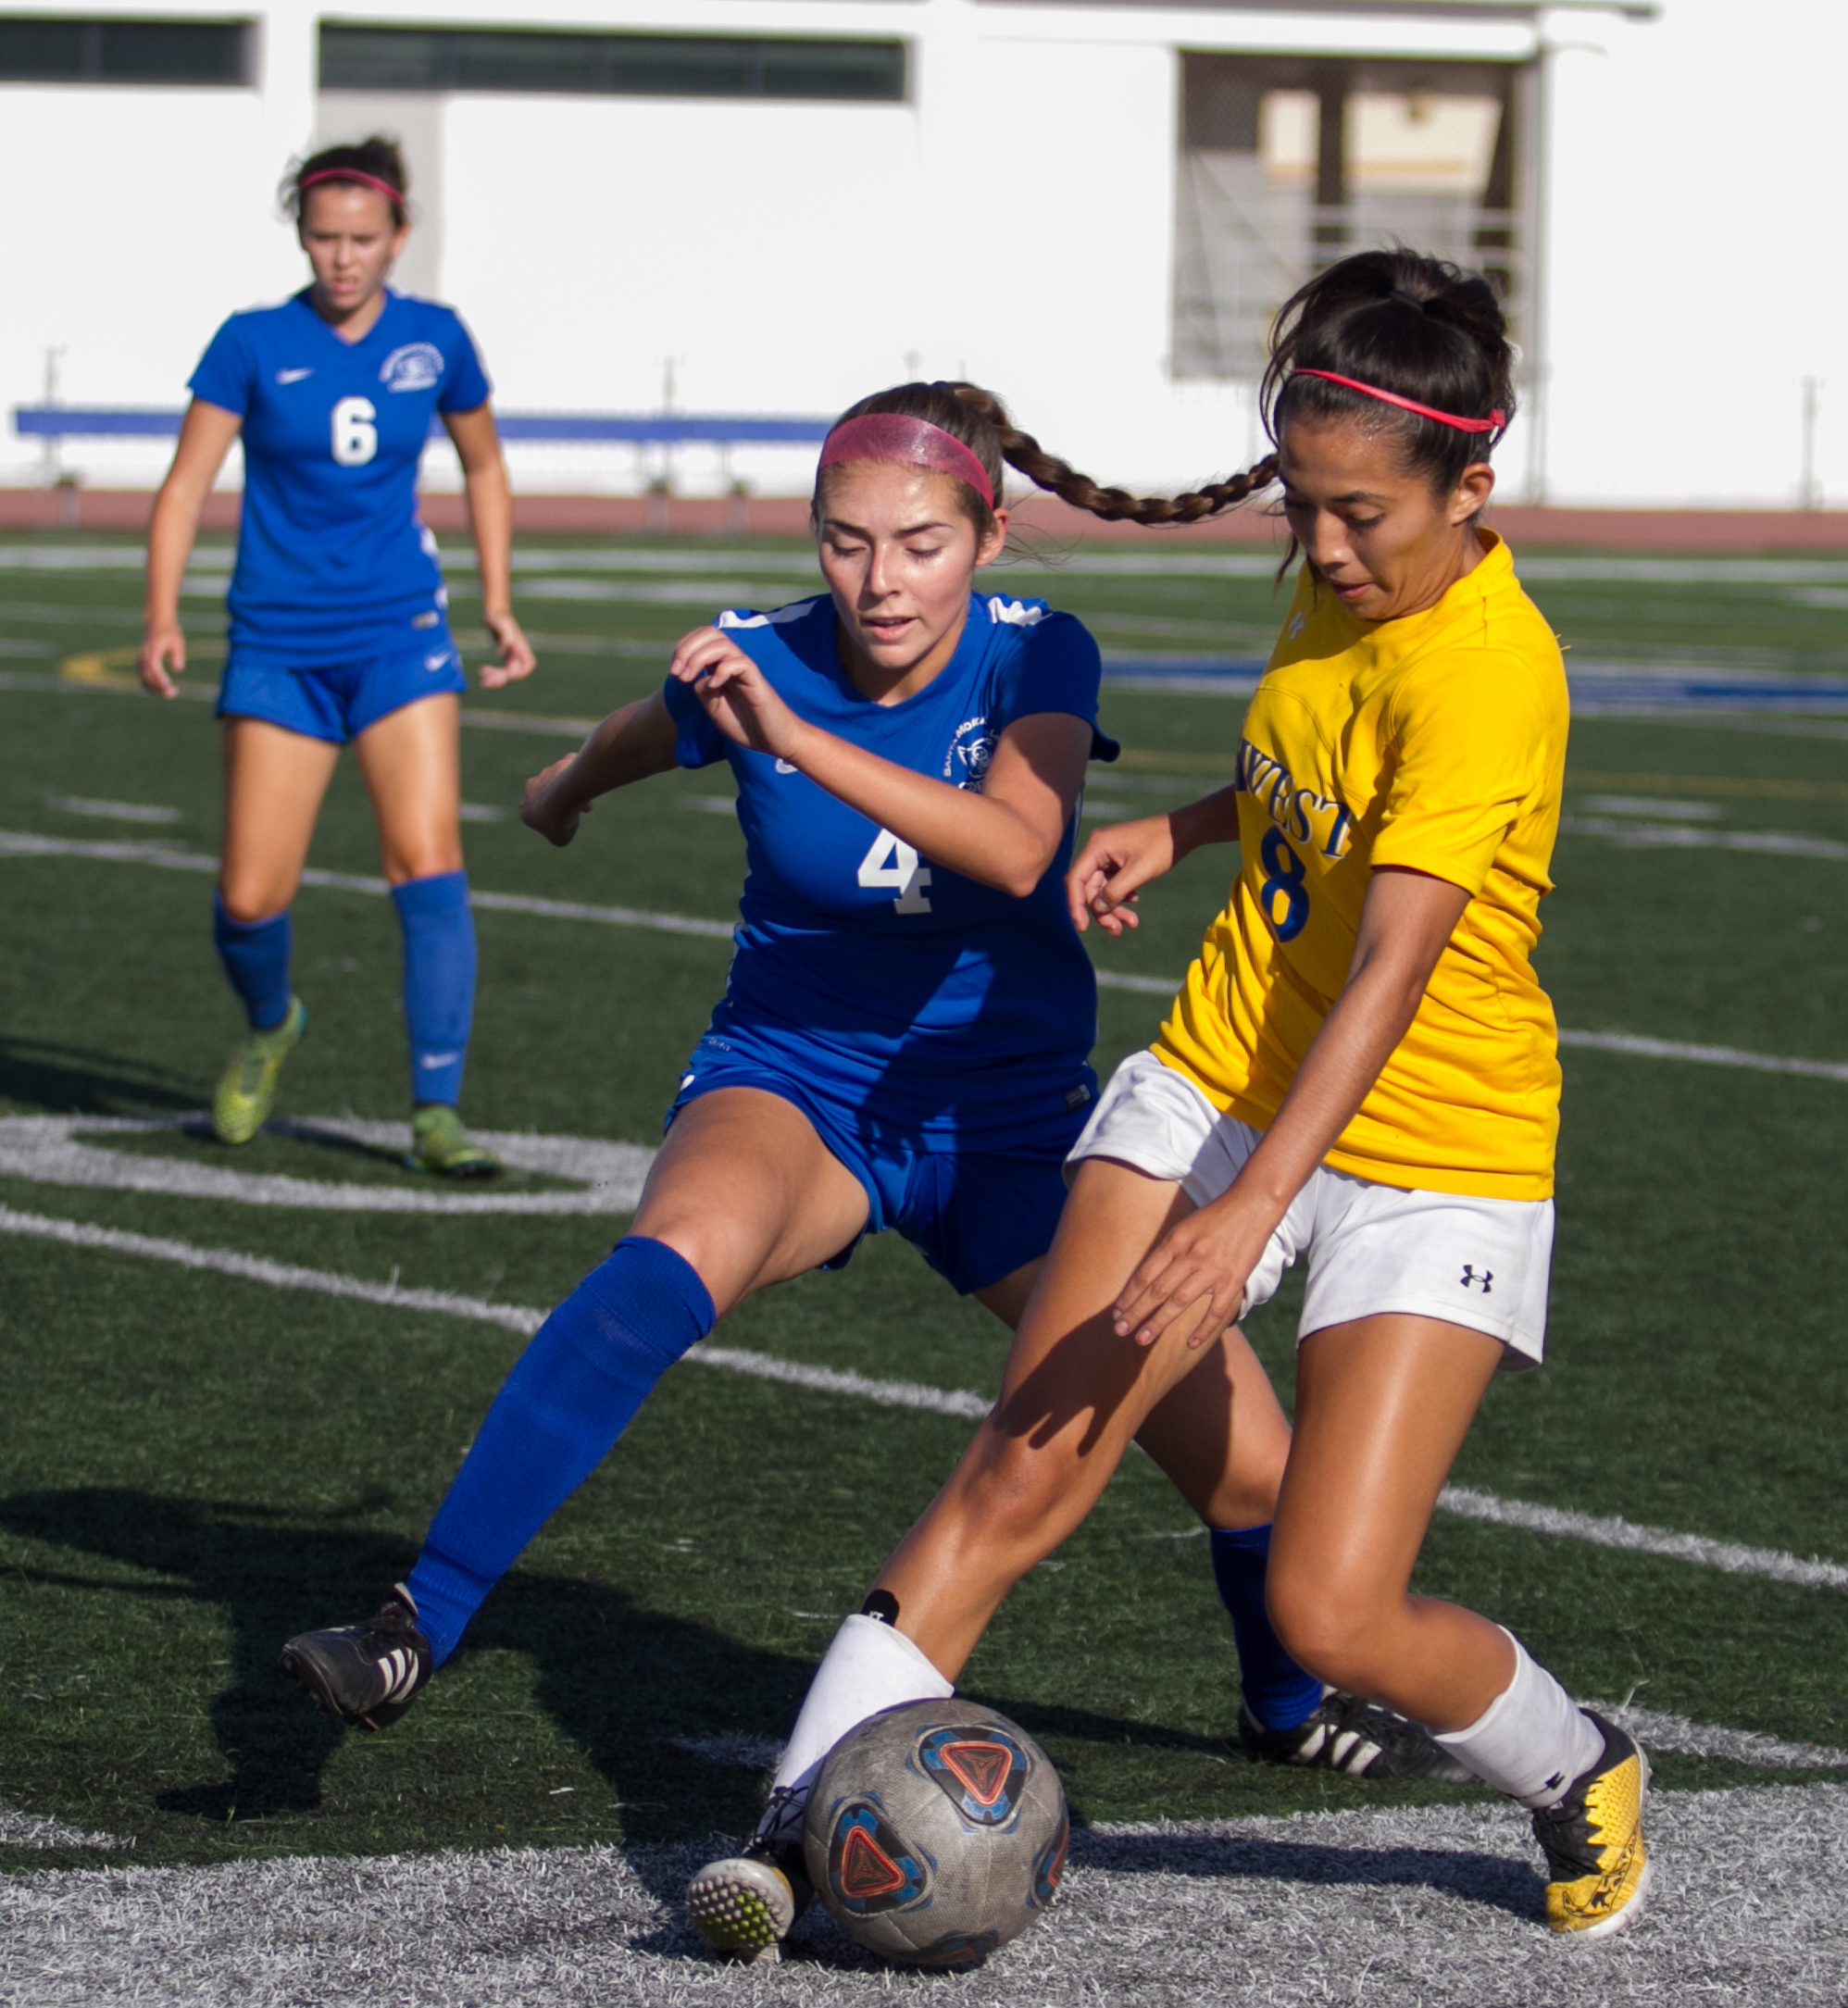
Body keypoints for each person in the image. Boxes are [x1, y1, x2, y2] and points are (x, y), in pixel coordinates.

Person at [275, 380, 1462, 1859]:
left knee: (1253, 1471)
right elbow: (649, 728)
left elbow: (1023, 845)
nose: (879, 581)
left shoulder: (1041, 654)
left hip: (1013, 1122)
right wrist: (568, 785)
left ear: (989, 539)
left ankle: (1284, 1702)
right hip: (803, 1081)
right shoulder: (761, 659)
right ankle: (414, 1624)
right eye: (845, 544)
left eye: (917, 545)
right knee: (671, 1256)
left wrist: (789, 735)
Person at [690, 250, 1649, 1956]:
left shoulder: (1491, 672)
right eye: (1304, 507)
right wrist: (1190, 828)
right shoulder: (1349, 586)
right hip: (1214, 1073)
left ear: (1471, 487)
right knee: (1022, 1466)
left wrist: (1244, 1219)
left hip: (1437, 1148)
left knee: (1331, 1602)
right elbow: (1321, 775)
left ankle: (1578, 1758)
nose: (1327, 547)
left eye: (1360, 514)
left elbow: (1392, 972)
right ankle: (784, 1820)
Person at [138, 136, 534, 1173]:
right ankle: (272, 1023)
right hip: (276, 644)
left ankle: (436, 1113)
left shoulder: (437, 339)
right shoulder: (251, 340)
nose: (343, 258)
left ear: (399, 236)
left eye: (363, 239)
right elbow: (185, 485)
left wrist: (495, 599)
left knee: (427, 860)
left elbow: (484, 466)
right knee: (251, 899)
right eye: (324, 238)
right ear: (302, 237)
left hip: (402, 635)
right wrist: (160, 612)